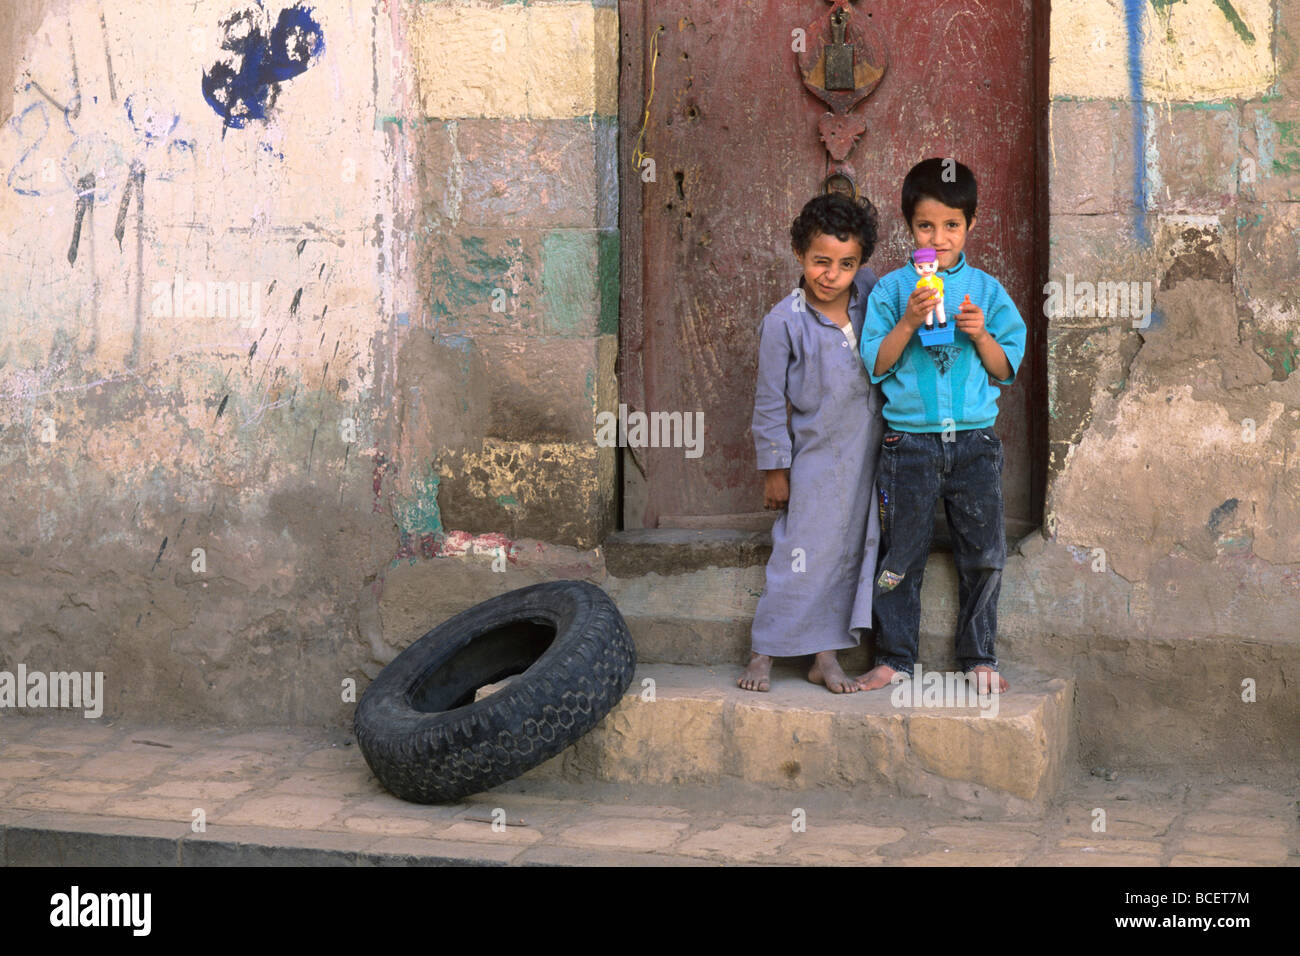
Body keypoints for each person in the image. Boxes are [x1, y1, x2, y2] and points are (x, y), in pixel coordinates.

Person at [857, 158, 1026, 695]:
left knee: (983, 553)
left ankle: (980, 655)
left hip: (974, 442)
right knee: (899, 553)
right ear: (910, 228)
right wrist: (909, 320)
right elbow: (876, 365)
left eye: (951, 225)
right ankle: (893, 657)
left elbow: (1005, 370)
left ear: (970, 226)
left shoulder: (987, 292)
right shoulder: (890, 291)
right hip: (907, 443)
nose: (939, 236)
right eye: (926, 226)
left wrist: (980, 335)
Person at [739, 192, 884, 694]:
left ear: (861, 264)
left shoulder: (871, 296)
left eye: (846, 264)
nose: (832, 274)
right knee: (798, 550)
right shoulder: (785, 321)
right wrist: (775, 470)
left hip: (866, 453)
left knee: (849, 552)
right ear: (800, 254)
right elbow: (767, 401)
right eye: (821, 261)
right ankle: (764, 650)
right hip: (814, 459)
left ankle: (825, 655)